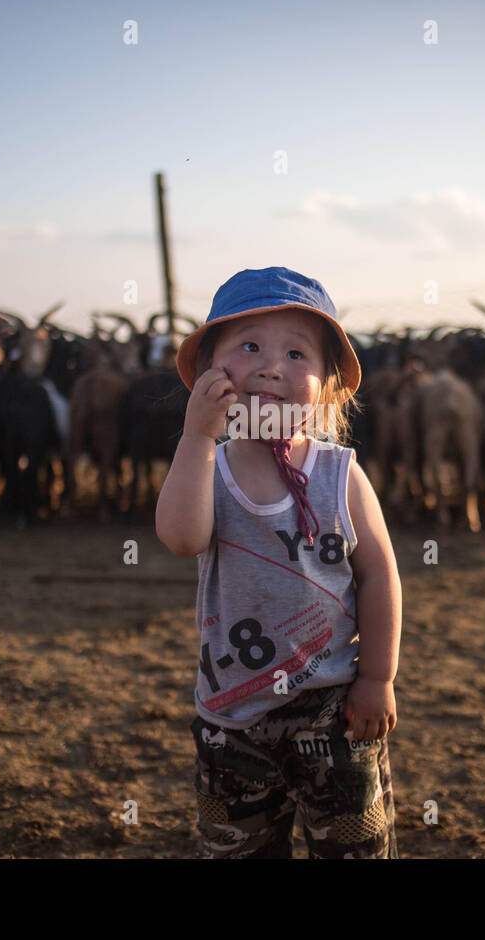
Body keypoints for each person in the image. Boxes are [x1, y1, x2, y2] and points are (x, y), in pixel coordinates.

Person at [156, 266, 402, 858]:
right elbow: (181, 538)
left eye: (297, 353)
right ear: (212, 370)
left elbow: (378, 575)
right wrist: (195, 438)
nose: (272, 366)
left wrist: (377, 677)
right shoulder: (208, 469)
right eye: (249, 347)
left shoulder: (340, 473)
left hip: (335, 709)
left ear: (326, 383)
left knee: (352, 848)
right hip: (233, 716)